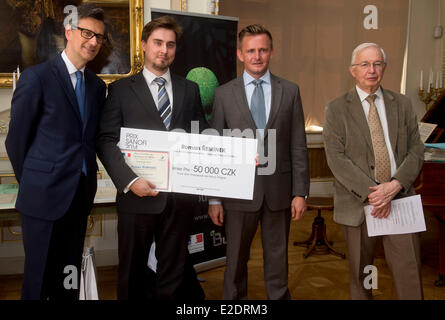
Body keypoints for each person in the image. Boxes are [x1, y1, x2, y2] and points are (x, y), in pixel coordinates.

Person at [96, 15, 208, 300]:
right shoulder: (120, 90)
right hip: (137, 197)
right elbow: (106, 140)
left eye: (170, 45)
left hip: (178, 199)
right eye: (157, 43)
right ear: (144, 45)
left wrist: (237, 156)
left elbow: (201, 137)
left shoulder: (189, 89)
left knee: (173, 273)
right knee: (132, 274)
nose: (164, 50)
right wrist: (130, 181)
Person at [5, 3, 107, 300]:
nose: (93, 42)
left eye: (99, 37)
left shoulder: (97, 87)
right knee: (39, 280)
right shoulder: (37, 77)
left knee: (69, 276)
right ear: (68, 32)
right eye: (87, 32)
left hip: (79, 198)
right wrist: (36, 183)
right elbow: (16, 141)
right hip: (43, 200)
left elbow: (89, 140)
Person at [208, 24, 309, 300]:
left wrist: (300, 192)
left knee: (278, 259)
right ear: (240, 54)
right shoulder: (224, 94)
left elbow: (298, 144)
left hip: (279, 191)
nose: (257, 56)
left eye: (262, 50)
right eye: (251, 50)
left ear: (271, 52)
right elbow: (216, 148)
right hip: (237, 193)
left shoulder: (290, 91)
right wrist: (214, 199)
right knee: (236, 261)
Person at [323, 43, 424, 299]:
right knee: (362, 276)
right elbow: (336, 158)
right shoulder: (336, 108)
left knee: (409, 272)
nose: (372, 70)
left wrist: (395, 185)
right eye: (365, 64)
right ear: (353, 70)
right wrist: (375, 195)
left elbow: (416, 150)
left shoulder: (401, 104)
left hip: (400, 198)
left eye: (377, 64)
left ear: (384, 68)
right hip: (358, 204)